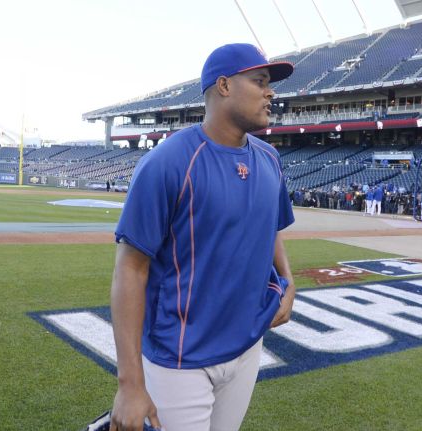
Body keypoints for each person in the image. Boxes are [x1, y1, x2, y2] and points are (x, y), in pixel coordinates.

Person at [109, 43, 296, 431]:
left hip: (247, 344)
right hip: (180, 357)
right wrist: (130, 384)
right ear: (224, 86)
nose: (270, 92)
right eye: (260, 81)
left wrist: (288, 281)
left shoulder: (269, 158)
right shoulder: (167, 163)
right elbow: (130, 269)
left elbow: (270, 226)